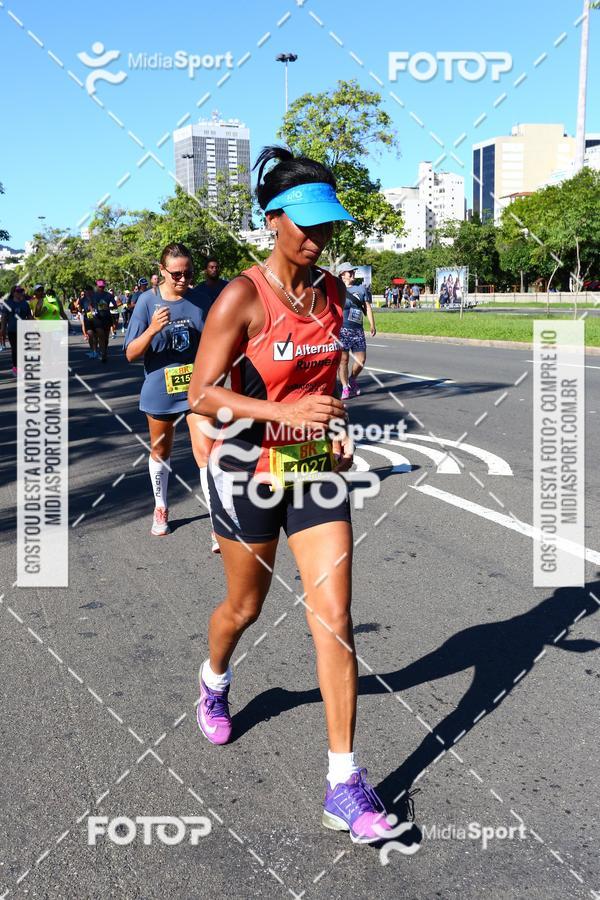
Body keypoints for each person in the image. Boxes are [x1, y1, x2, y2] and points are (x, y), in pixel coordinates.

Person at [187, 145, 393, 845]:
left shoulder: (333, 292)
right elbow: (202, 394)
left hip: (311, 467)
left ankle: (344, 782)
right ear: (271, 219)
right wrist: (284, 413)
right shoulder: (241, 297)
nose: (318, 235)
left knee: (333, 616)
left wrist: (333, 423)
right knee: (244, 608)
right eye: (305, 222)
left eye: (327, 222)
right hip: (246, 467)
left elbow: (326, 380)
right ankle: (215, 679)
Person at [124, 243, 216, 547]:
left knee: (206, 453)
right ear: (162, 270)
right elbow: (131, 353)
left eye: (188, 273)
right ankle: (161, 507)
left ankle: (217, 521)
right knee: (161, 451)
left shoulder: (199, 299)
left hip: (196, 388)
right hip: (160, 389)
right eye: (176, 274)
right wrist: (152, 329)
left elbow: (215, 342)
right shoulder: (146, 302)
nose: (183, 279)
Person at [337, 263, 376, 400]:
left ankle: (352, 379)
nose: (353, 274)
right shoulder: (337, 290)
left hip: (358, 330)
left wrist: (372, 324)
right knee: (343, 360)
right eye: (350, 272)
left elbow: (368, 307)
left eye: (353, 271)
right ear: (342, 275)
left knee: (361, 359)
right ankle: (345, 387)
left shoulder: (361, 288)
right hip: (342, 330)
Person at [1, 285, 33, 374]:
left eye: (21, 291)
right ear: (13, 293)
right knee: (15, 348)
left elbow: (29, 316)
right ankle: (16, 366)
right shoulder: (8, 303)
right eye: (18, 291)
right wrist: (2, 329)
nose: (20, 293)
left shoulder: (25, 304)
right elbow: (4, 317)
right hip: (12, 330)